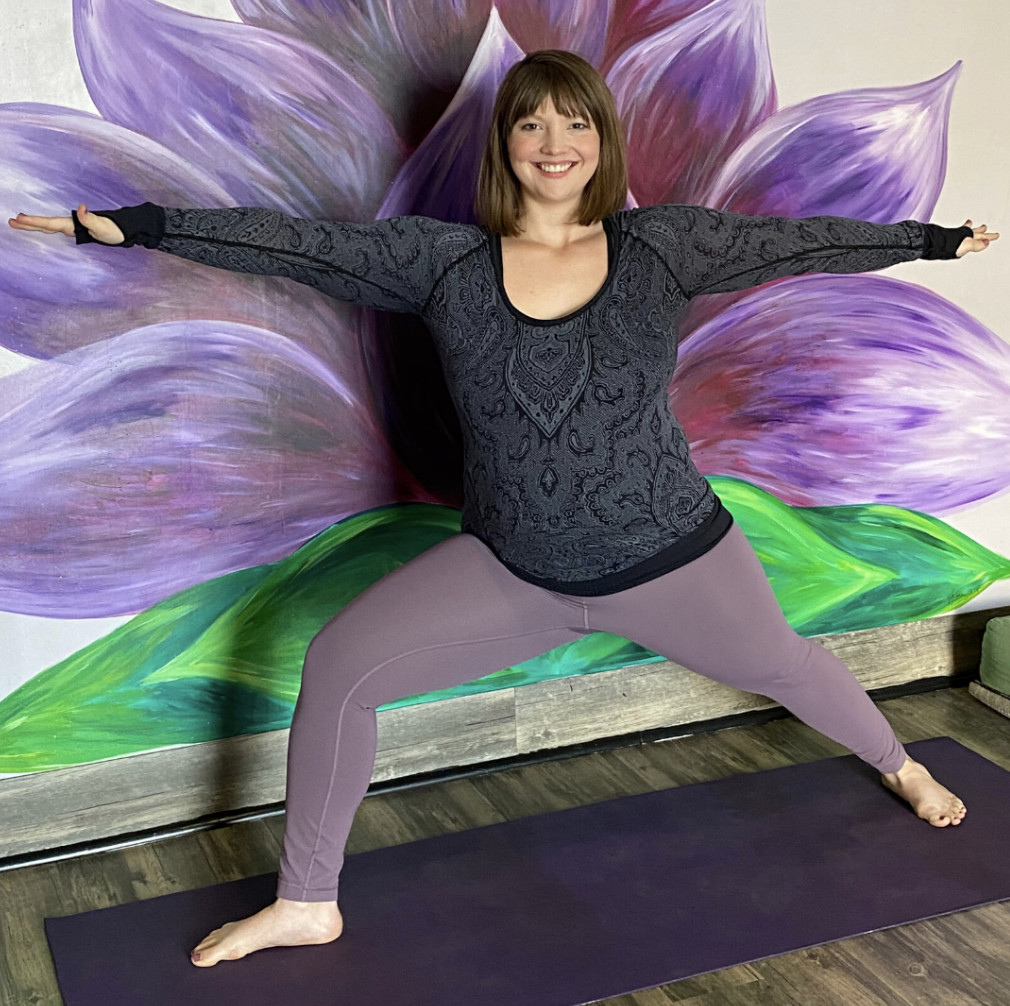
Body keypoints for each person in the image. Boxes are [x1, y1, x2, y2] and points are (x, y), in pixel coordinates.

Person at [10, 49, 997, 969]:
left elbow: (799, 240)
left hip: (674, 561)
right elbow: (300, 246)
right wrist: (137, 225)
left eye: (575, 123)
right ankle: (307, 901)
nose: (553, 143)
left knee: (786, 664)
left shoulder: (662, 245)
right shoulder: (444, 264)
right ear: (505, 144)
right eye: (531, 124)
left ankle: (898, 764)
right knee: (340, 665)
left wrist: (928, 241)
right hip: (514, 569)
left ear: (602, 140)